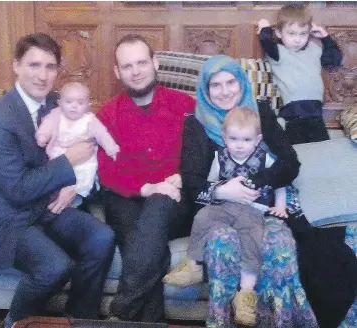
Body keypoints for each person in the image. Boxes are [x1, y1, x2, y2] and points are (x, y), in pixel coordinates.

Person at [0, 33, 115, 328]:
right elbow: (17, 189)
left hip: (47, 206)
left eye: (50, 67)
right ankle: (16, 321)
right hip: (10, 218)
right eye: (34, 65)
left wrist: (72, 181)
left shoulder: (56, 102)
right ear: (16, 66)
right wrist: (67, 163)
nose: (42, 75)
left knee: (102, 237)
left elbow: (84, 145)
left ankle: (78, 319)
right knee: (54, 266)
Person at [177, 54, 321, 327]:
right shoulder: (195, 124)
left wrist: (257, 183)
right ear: (205, 90)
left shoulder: (261, 114)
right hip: (218, 209)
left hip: (262, 206)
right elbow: (192, 182)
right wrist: (223, 191)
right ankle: (225, 320)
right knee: (222, 242)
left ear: (242, 82)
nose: (225, 91)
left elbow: (290, 163)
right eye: (215, 85)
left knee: (278, 243)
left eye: (231, 82)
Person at [94, 34, 196, 322]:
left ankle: (120, 312)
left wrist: (182, 176)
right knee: (143, 245)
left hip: (174, 201)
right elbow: (106, 171)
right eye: (127, 66)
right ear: (117, 72)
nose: (136, 71)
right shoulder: (107, 114)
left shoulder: (184, 105)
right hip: (126, 199)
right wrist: (147, 187)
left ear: (155, 63)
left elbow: (202, 153)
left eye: (141, 62)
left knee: (159, 206)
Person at [164, 107, 288, 326]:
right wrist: (216, 192)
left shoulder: (264, 158)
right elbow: (211, 184)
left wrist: (280, 205)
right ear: (224, 138)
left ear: (258, 139)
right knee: (202, 217)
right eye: (233, 139)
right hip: (223, 205)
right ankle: (193, 265)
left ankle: (246, 294)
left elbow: (280, 181)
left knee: (252, 240)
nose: (240, 144)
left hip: (252, 209)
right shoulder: (219, 157)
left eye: (246, 139)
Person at [257, 4, 342, 145]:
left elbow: (333, 60)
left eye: (303, 34)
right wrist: (265, 27)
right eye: (291, 33)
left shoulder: (314, 50)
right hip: (292, 114)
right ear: (279, 33)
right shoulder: (279, 53)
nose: (298, 39)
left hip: (316, 113)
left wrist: (325, 37)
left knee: (323, 149)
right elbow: (266, 40)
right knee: (295, 152)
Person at [36, 82, 120, 207]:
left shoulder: (90, 120)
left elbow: (102, 134)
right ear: (60, 103)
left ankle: (77, 195)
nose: (74, 106)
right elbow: (46, 126)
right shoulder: (56, 115)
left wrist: (111, 148)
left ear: (87, 106)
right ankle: (56, 195)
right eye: (69, 102)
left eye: (80, 103)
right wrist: (42, 136)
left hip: (84, 159)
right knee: (54, 174)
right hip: (58, 153)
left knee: (85, 173)